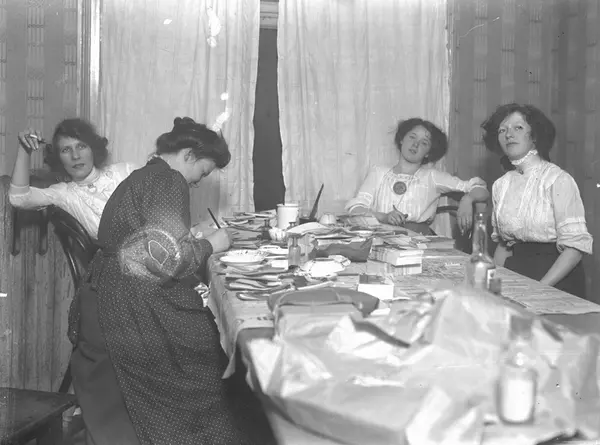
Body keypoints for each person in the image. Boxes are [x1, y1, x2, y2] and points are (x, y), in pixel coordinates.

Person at [69, 117, 274, 445]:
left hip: (110, 290)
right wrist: (212, 244)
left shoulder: (144, 175)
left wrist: (190, 239)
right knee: (208, 349)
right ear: (189, 155)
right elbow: (165, 260)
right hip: (131, 299)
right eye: (202, 173)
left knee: (208, 322)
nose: (197, 182)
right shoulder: (168, 180)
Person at [482, 103, 592, 298]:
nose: (508, 135)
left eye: (518, 128)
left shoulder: (558, 179)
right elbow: (504, 246)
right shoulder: (501, 185)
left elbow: (574, 249)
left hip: (556, 280)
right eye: (502, 130)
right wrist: (491, 285)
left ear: (535, 136)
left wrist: (539, 289)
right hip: (517, 274)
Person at [345, 118, 489, 235]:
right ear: (401, 139)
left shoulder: (432, 176)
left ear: (428, 152)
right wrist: (384, 217)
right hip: (380, 238)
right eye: (412, 137)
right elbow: (355, 209)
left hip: (419, 240)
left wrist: (467, 199)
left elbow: (481, 188)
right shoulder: (378, 172)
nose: (415, 144)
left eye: (424, 143)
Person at [9, 118, 138, 239]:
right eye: (66, 150)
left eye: (81, 146)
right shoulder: (64, 194)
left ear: (93, 149)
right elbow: (19, 199)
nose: (75, 156)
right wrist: (24, 149)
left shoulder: (127, 171)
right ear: (58, 158)